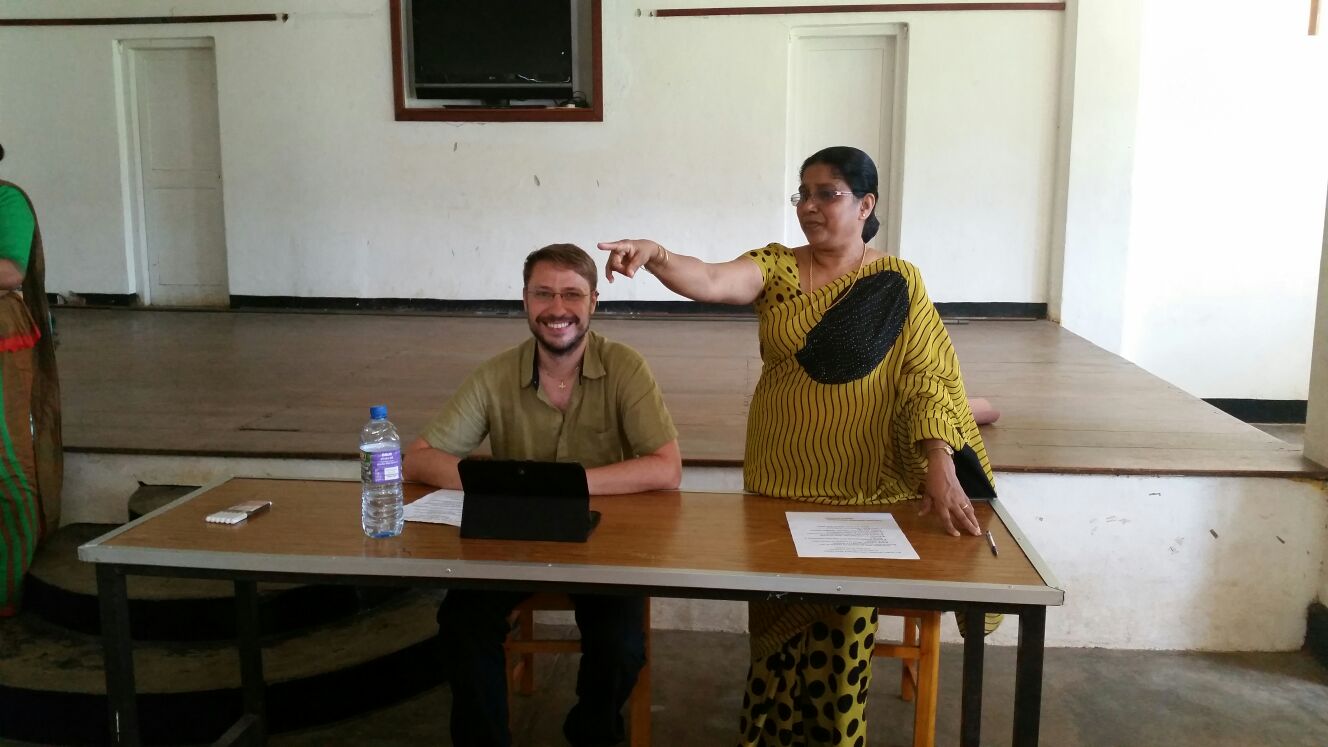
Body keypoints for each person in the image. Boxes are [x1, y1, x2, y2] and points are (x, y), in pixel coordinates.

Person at [598, 146, 998, 746]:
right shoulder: (779, 268)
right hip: (779, 484)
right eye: (802, 194)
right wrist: (656, 255)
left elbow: (928, 378)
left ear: (866, 204)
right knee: (776, 641)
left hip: (863, 491)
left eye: (826, 194)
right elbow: (709, 279)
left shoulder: (896, 282)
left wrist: (940, 458)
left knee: (839, 659)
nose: (809, 207)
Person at [402, 243, 681, 747]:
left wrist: (567, 486)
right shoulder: (495, 374)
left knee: (620, 645)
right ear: (525, 301)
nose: (557, 308)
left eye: (572, 294)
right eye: (543, 294)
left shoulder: (626, 367)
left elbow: (666, 468)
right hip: (513, 539)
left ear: (595, 301)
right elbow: (418, 458)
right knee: (461, 625)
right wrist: (496, 481)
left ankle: (591, 730)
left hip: (606, 542)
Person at [0, 143, 62, 618]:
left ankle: (10, 593)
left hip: (4, 337)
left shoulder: (7, 201)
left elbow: (10, 271)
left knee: (9, 467)